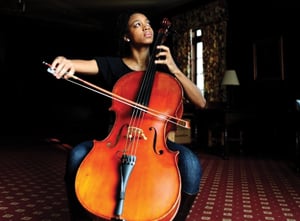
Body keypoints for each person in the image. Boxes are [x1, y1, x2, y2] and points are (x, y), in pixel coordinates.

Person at [50, 10, 206, 221]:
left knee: (191, 164)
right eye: (137, 25)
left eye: (148, 23)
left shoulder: (166, 71)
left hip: (156, 143)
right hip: (116, 140)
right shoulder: (113, 65)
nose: (146, 27)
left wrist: (174, 68)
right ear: (126, 36)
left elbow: (201, 102)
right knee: (77, 154)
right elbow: (81, 64)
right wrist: (65, 62)